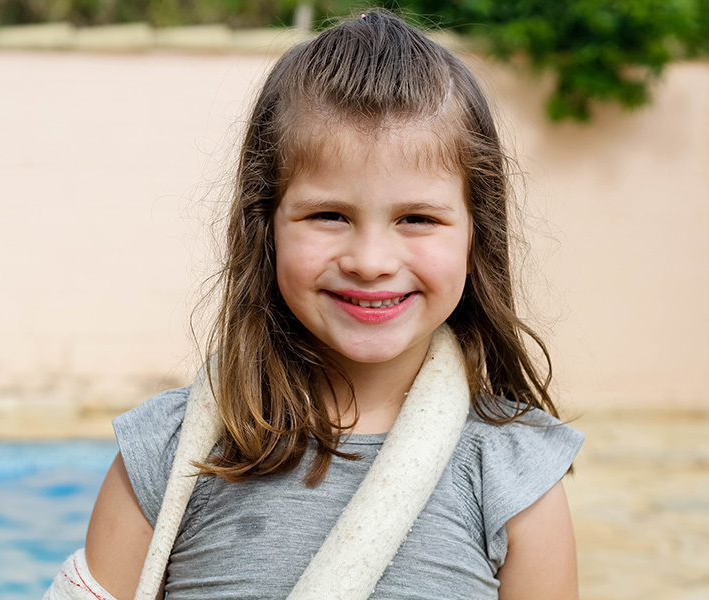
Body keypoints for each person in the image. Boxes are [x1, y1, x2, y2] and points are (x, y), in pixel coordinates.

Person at [45, 9, 584, 600]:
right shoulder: (164, 456)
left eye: (418, 218)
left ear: (477, 237)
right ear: (265, 226)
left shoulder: (514, 477)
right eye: (329, 215)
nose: (371, 260)